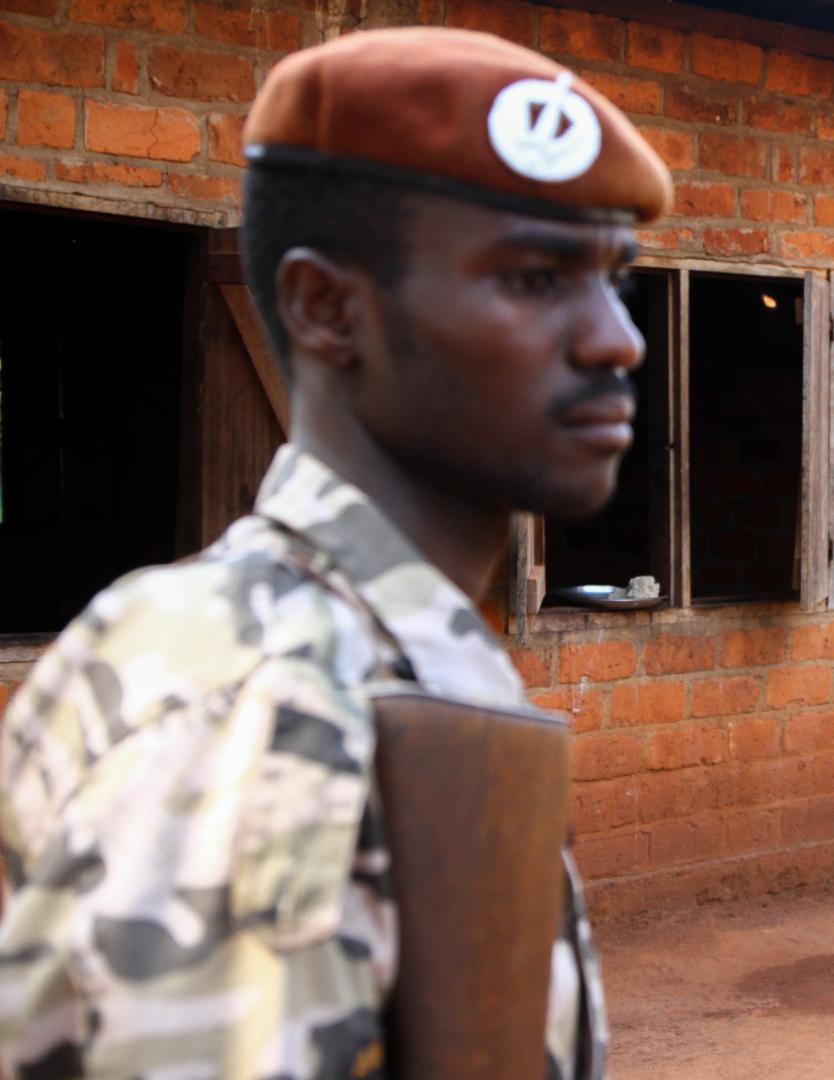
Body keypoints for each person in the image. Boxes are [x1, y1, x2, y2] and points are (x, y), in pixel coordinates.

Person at [0, 28, 671, 1079]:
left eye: (611, 279)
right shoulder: (265, 713)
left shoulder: (362, 650)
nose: (617, 338)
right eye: (537, 278)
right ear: (326, 307)